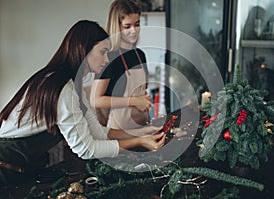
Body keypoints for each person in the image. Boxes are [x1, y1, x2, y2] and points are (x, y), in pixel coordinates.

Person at [0, 20, 166, 187]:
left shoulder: (73, 84)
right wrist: (138, 141)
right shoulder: (63, 89)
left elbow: (97, 131)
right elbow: (86, 150)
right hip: (6, 163)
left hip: (24, 161)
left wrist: (140, 133)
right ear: (83, 50)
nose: (107, 59)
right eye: (103, 52)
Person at [90, 0, 152, 130]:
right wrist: (135, 101)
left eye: (137, 24)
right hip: (118, 131)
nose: (134, 31)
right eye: (127, 26)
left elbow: (142, 89)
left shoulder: (139, 54)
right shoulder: (109, 57)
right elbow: (96, 100)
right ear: (116, 26)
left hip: (143, 124)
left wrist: (144, 99)